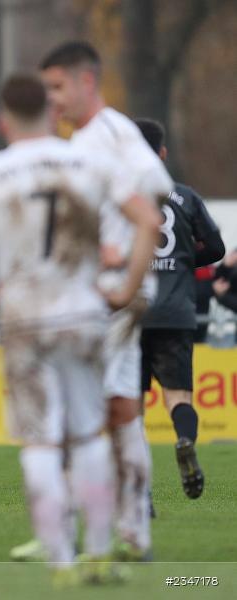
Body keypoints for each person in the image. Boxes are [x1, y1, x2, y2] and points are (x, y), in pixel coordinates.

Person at [0, 74, 160, 584]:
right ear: (54, 115)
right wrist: (126, 289)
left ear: (2, 121)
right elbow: (148, 221)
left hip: (25, 316)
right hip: (84, 313)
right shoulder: (92, 162)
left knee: (39, 440)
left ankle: (61, 561)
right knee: (88, 433)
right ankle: (100, 552)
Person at [38, 41, 173, 562]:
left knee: (75, 409)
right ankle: (132, 532)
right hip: (114, 290)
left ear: (85, 82)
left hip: (111, 293)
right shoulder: (101, 135)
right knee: (119, 410)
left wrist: (123, 272)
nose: (53, 99)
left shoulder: (105, 136)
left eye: (58, 87)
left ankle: (73, 528)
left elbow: (151, 206)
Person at [135, 118, 224, 501]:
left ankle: (141, 494)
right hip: (176, 312)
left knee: (129, 410)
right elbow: (217, 249)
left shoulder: (123, 198)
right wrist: (186, 257)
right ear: (163, 153)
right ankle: (185, 439)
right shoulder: (185, 197)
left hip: (132, 314)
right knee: (178, 398)